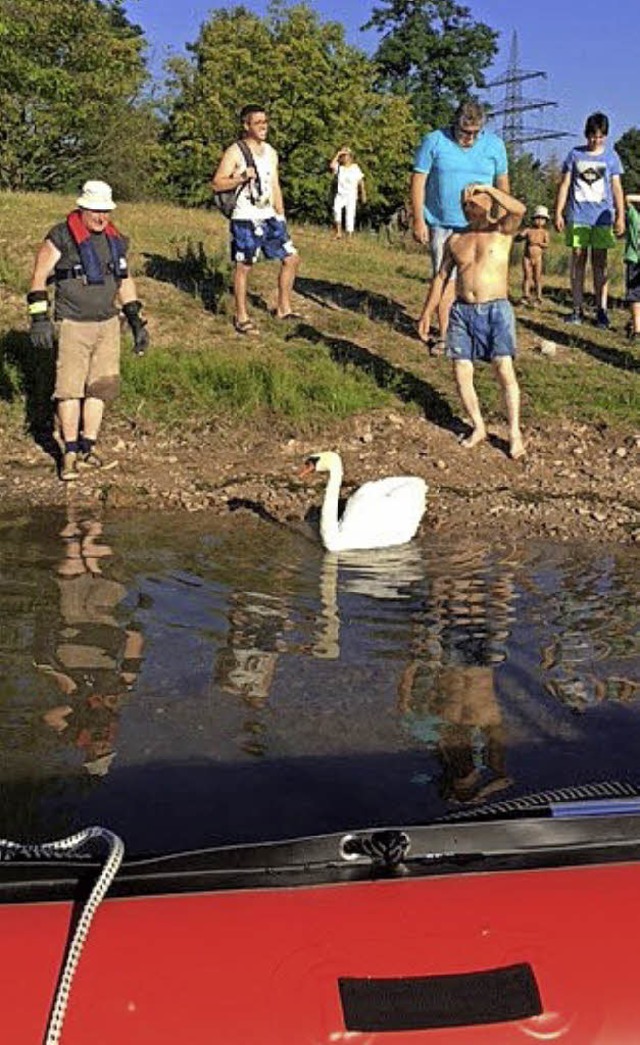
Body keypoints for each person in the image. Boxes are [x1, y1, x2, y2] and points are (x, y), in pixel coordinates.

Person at [27, 179, 149, 482]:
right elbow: (39, 276)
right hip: (73, 324)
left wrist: (135, 320)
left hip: (108, 323)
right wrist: (39, 318)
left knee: (100, 387)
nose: (101, 217)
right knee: (69, 389)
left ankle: (88, 447)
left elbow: (124, 280)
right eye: (95, 210)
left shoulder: (115, 239)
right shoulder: (61, 236)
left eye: (105, 211)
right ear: (82, 207)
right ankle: (68, 453)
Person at [417, 182, 526, 460]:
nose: (469, 208)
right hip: (463, 311)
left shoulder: (502, 230)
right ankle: (478, 426)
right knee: (461, 370)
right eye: (465, 204)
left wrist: (488, 189)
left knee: (503, 369)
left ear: (488, 203)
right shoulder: (455, 239)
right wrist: (428, 311)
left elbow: (519, 209)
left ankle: (514, 433)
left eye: (474, 203)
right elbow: (441, 277)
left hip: (496, 309)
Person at [411, 99, 509, 355]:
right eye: (465, 132)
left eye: (475, 133)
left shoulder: (495, 145)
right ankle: (445, 335)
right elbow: (419, 180)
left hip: (481, 226)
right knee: (446, 279)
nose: (469, 138)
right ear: (455, 124)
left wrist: (500, 219)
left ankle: (477, 335)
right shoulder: (434, 140)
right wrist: (418, 219)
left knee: (475, 282)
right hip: (442, 222)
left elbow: (503, 185)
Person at [211, 104, 300, 336]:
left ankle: (284, 308)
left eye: (265, 122)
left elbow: (274, 184)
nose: (264, 126)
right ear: (246, 125)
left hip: (269, 215)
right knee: (245, 265)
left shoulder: (271, 152)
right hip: (245, 217)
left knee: (291, 258)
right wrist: (240, 178)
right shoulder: (235, 151)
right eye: (258, 123)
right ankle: (241, 316)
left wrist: (281, 214)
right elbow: (217, 183)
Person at [554, 111, 625, 328]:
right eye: (593, 135)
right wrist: (558, 211)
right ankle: (577, 308)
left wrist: (620, 215)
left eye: (601, 136)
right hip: (578, 216)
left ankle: (601, 309)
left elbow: (616, 188)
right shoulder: (575, 155)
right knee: (577, 260)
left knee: (600, 263)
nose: (597, 140)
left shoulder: (611, 157)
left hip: (601, 219)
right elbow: (565, 184)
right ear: (587, 134)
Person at [329, 147, 366, 238]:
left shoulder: (355, 167)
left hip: (351, 195)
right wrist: (338, 154)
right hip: (340, 194)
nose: (344, 157)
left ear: (350, 157)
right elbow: (331, 166)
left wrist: (363, 193)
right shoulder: (340, 168)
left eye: (345, 155)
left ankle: (349, 235)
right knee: (336, 210)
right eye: (343, 156)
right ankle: (338, 232)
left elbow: (360, 181)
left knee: (350, 214)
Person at [517, 205, 550, 305]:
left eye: (542, 219)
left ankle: (538, 296)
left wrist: (540, 244)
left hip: (538, 258)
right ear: (533, 219)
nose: (539, 221)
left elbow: (547, 244)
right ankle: (525, 295)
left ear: (545, 221)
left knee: (537, 277)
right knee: (527, 276)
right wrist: (520, 236)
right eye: (537, 218)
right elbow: (518, 238)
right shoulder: (528, 230)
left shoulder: (544, 232)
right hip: (527, 257)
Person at [623, 193, 640, 341]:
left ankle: (634, 323)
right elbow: (627, 198)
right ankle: (637, 329)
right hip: (634, 260)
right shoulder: (635, 216)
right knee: (634, 294)